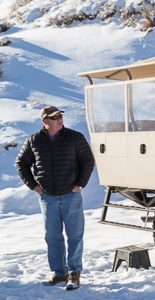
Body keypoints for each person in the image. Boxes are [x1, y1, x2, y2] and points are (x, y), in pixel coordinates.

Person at [15, 106, 95, 290]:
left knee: (75, 235)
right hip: (47, 198)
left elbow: (88, 161)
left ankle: (75, 274)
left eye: (60, 116)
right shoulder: (34, 141)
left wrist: (79, 184)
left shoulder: (75, 137)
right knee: (52, 237)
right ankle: (60, 274)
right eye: (55, 117)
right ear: (45, 122)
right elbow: (21, 163)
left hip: (70, 195)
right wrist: (33, 186)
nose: (60, 119)